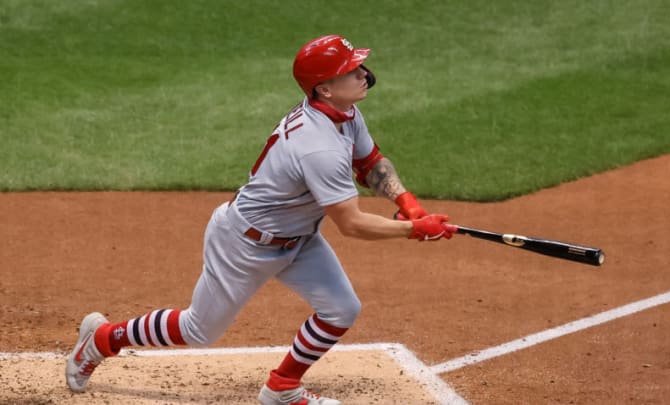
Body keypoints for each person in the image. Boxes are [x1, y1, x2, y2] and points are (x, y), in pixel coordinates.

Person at [65, 34, 456, 405]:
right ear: (324, 88)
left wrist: (407, 202)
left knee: (341, 308)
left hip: (299, 238)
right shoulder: (317, 146)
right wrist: (413, 230)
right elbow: (351, 224)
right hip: (245, 243)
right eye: (351, 69)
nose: (362, 74)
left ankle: (282, 388)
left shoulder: (345, 113)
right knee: (198, 331)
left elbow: (370, 162)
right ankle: (102, 339)